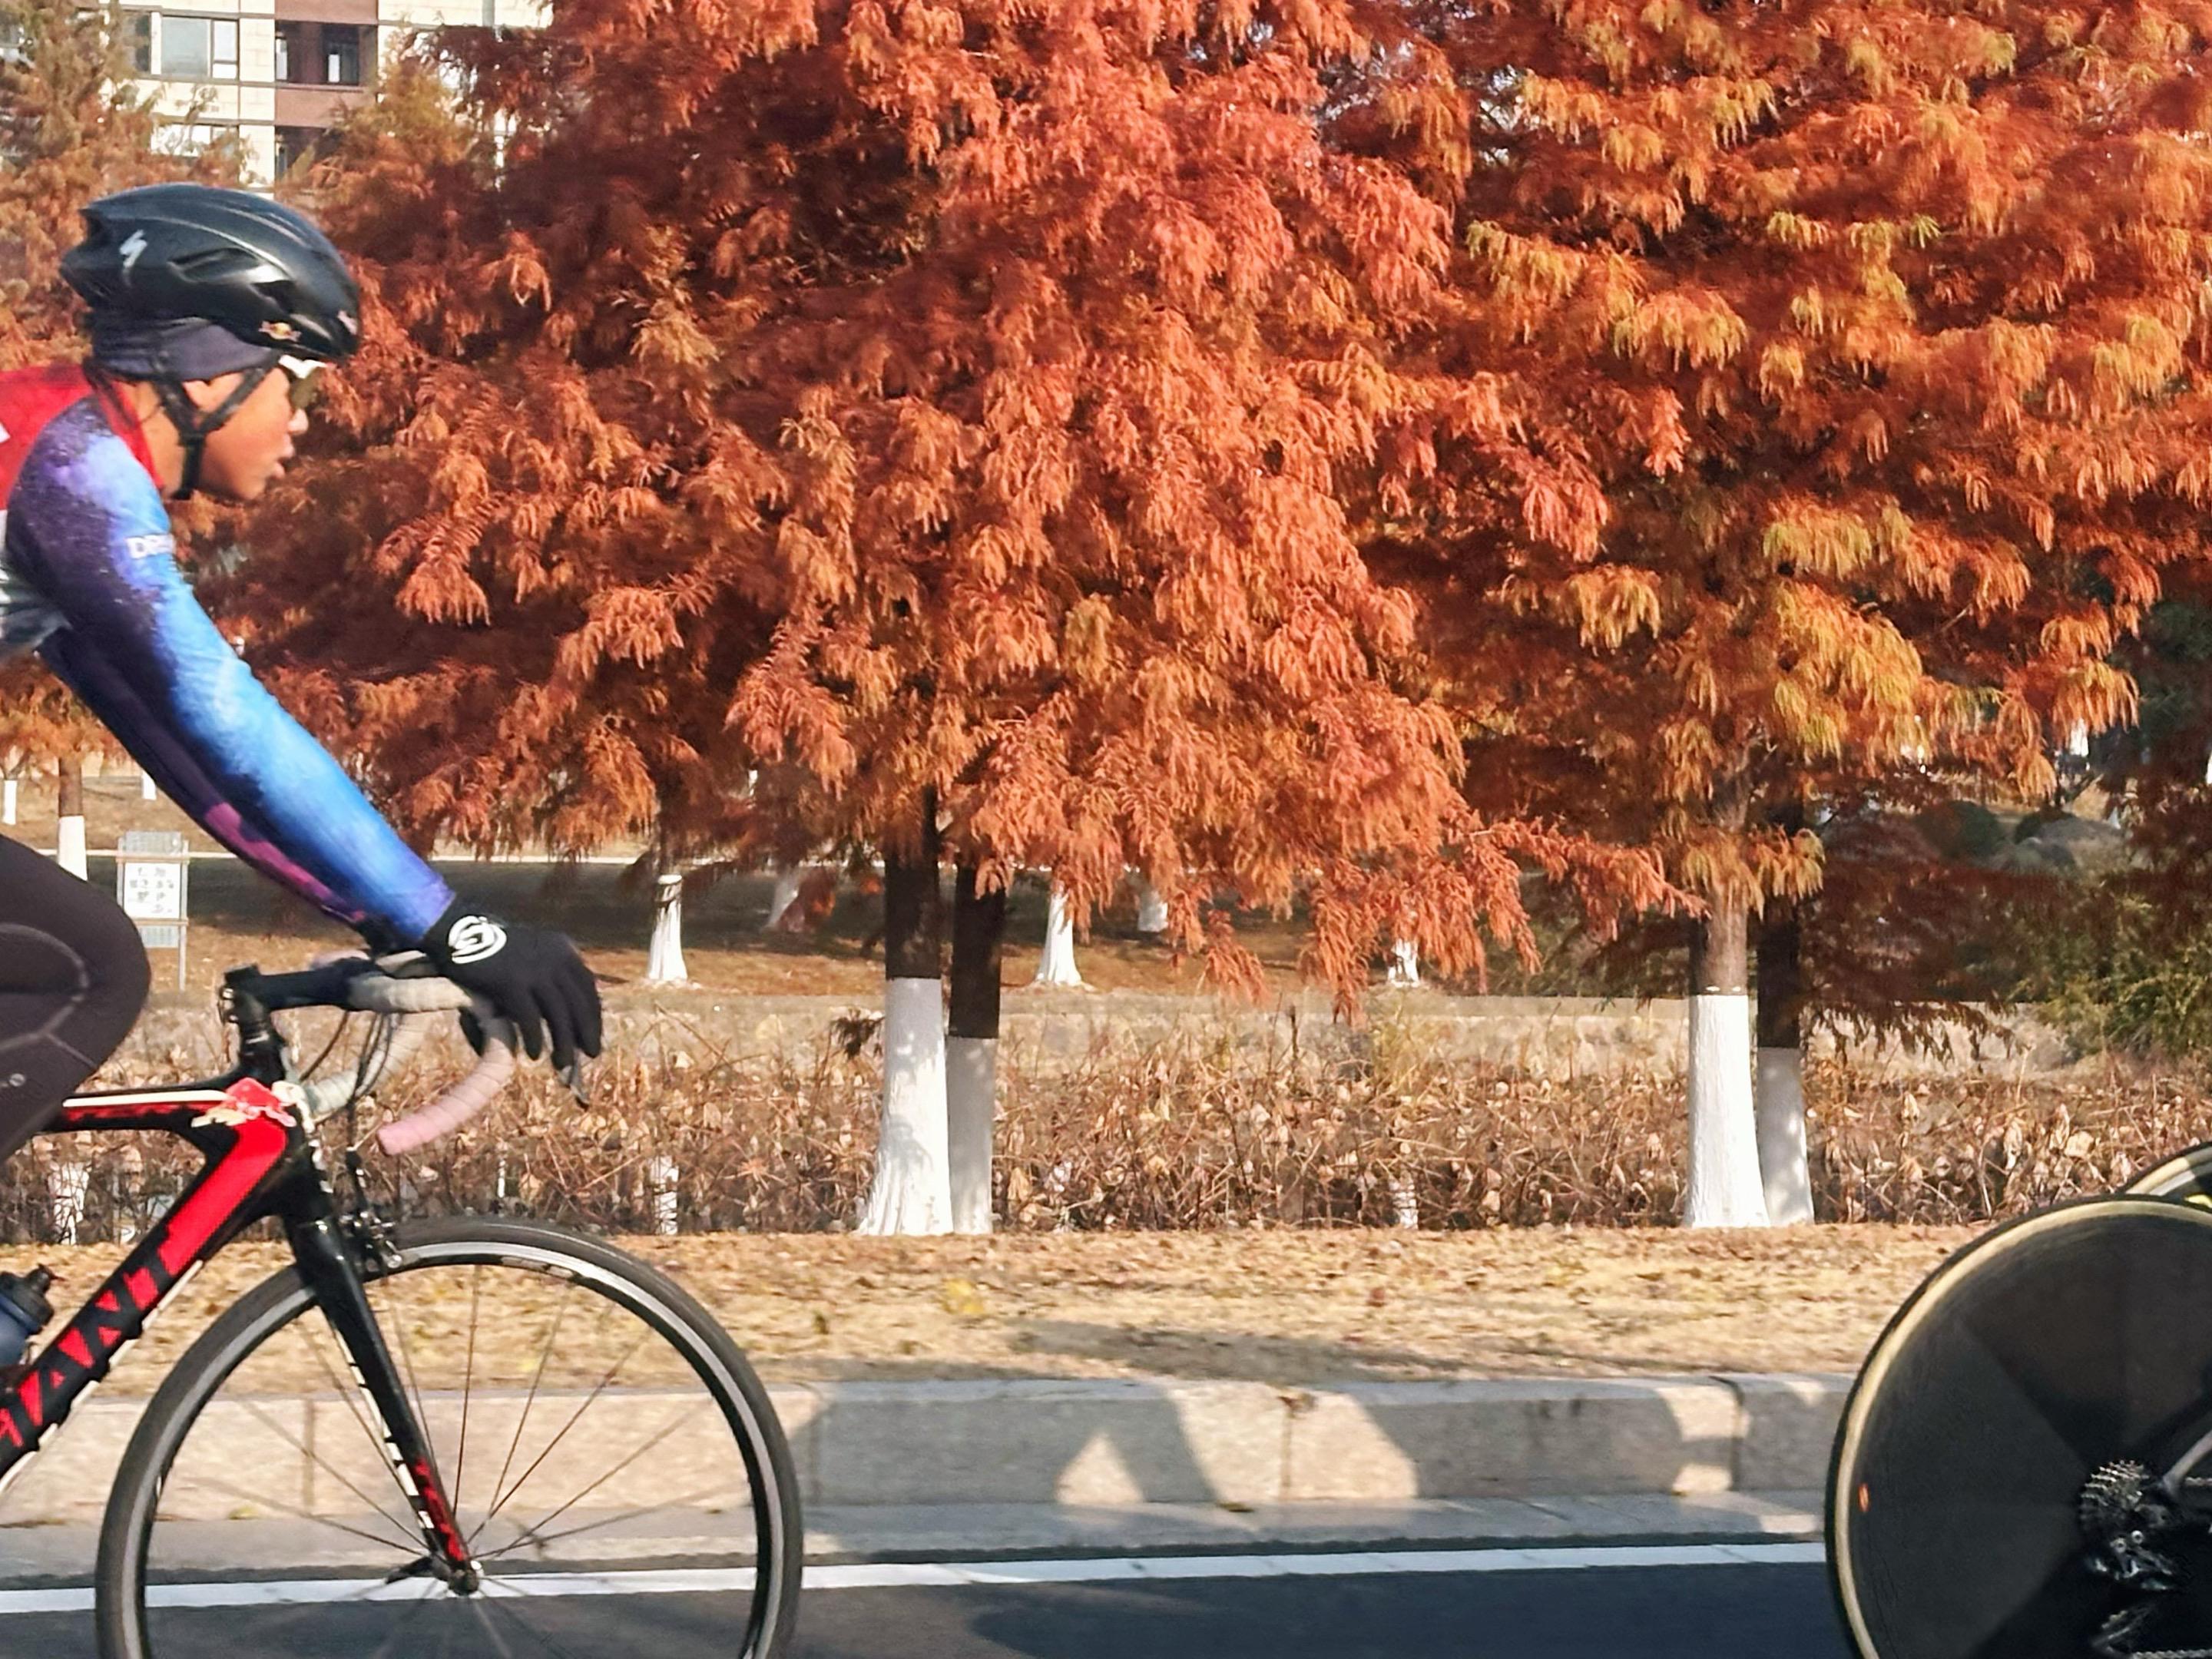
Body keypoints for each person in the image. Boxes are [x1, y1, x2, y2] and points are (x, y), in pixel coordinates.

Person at [0, 182, 600, 1164]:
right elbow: (226, 721)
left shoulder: (46, 431)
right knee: (89, 966)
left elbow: (184, 749)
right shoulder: (79, 474)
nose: (303, 423)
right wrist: (456, 927)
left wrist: (393, 917)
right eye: (296, 382)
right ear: (207, 377)